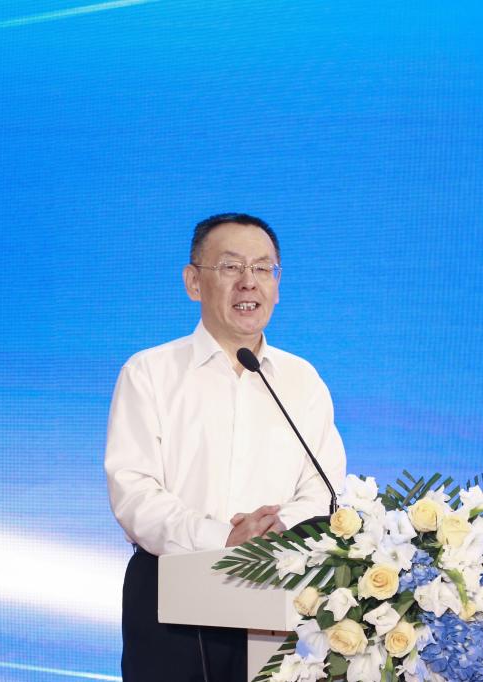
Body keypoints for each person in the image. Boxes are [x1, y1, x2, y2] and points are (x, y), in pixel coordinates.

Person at [104, 213, 346, 681]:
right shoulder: (149, 372)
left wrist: (275, 533)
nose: (248, 282)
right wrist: (224, 540)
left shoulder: (302, 380)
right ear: (194, 282)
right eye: (231, 267)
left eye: (263, 268)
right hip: (169, 596)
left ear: (277, 284)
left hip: (279, 594)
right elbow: (134, 493)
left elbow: (325, 489)